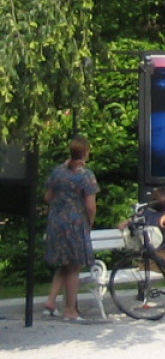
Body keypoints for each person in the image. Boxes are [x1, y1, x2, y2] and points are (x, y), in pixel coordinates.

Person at [41, 137, 98, 322]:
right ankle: (70, 310)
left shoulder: (57, 172)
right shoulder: (86, 175)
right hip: (75, 224)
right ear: (85, 152)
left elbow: (48, 197)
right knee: (74, 267)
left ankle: (50, 302)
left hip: (56, 222)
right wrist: (89, 222)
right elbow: (90, 206)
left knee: (63, 264)